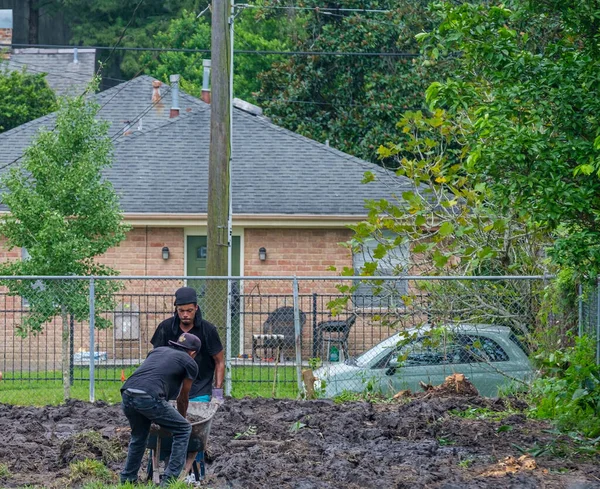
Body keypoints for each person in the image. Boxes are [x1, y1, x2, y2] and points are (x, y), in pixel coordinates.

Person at [120, 332, 201, 486]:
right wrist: (180, 419)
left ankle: (127, 480)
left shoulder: (157, 351)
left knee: (139, 437)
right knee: (183, 429)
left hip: (127, 393)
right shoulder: (190, 362)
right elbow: (183, 397)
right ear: (193, 353)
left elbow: (152, 375)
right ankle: (169, 482)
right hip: (149, 397)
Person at [151, 286, 225, 403]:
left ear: (196, 308)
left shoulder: (208, 330)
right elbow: (154, 359)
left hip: (199, 389)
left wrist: (217, 393)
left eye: (189, 310)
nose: (185, 314)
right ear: (176, 309)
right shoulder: (165, 328)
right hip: (170, 390)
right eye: (181, 310)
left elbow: (219, 361)